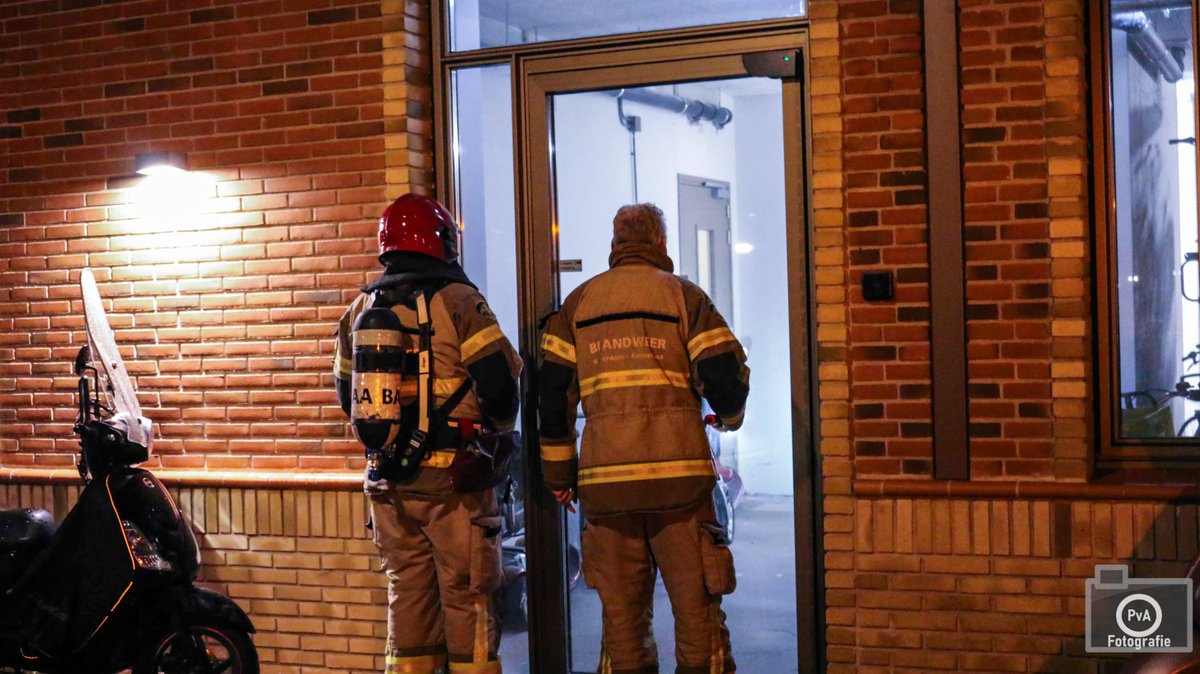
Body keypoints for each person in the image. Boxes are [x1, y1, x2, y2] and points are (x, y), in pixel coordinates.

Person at [537, 203, 750, 674]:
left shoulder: (577, 305)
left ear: (614, 245)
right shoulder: (684, 297)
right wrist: (729, 417)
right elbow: (725, 377)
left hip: (607, 492)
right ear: (661, 245)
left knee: (623, 621)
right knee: (698, 615)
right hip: (682, 490)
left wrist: (559, 477)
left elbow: (552, 401)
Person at [334, 193, 521, 674]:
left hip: (387, 483)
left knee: (409, 600)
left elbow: (345, 395)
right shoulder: (460, 302)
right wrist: (497, 435)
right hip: (455, 486)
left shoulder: (359, 307)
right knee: (470, 599)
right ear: (441, 242)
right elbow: (500, 386)